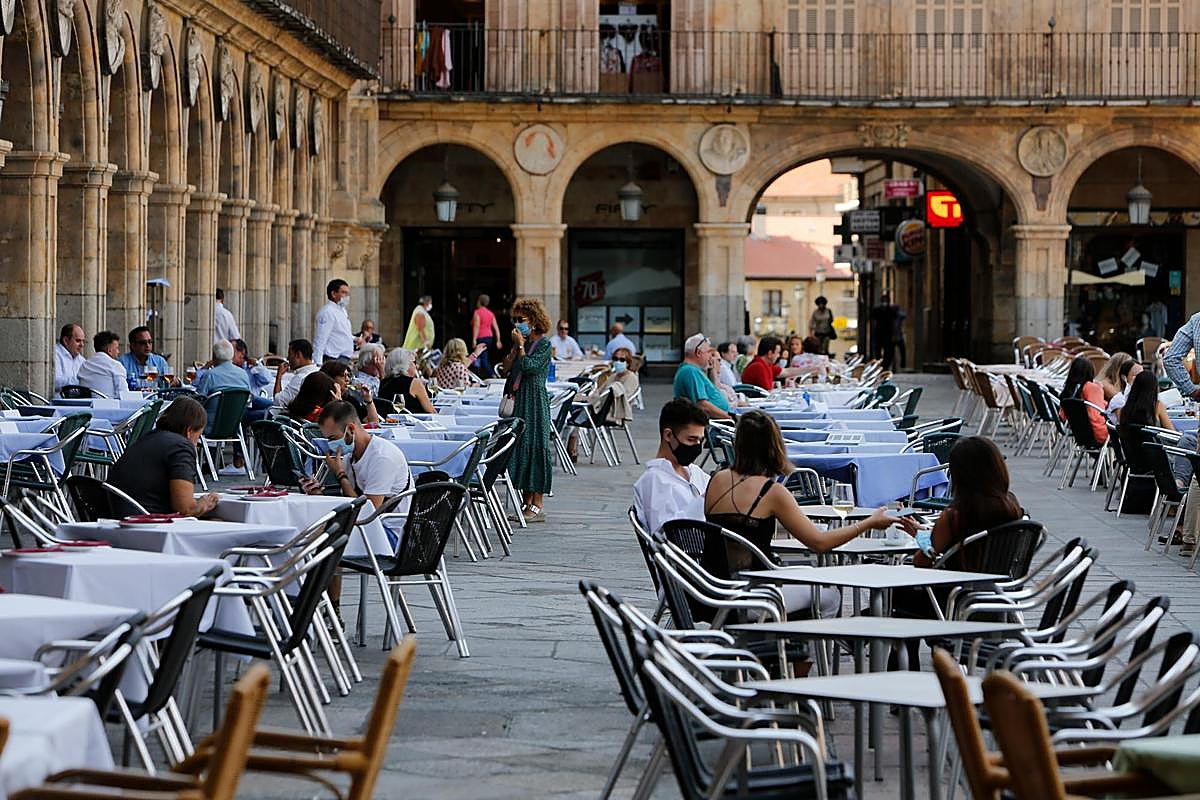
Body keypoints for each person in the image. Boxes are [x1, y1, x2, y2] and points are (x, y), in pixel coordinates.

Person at [704, 411, 916, 618]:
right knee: (830, 595)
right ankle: (801, 640)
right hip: (754, 595)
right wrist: (869, 523)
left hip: (709, 589)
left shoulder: (717, 479)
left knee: (802, 579)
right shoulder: (771, 492)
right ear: (775, 445)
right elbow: (819, 543)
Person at [889, 437, 1023, 658]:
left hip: (955, 600)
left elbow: (922, 561)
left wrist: (923, 538)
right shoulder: (1012, 508)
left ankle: (901, 664)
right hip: (997, 596)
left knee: (899, 596)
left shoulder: (955, 515)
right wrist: (924, 533)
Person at [109, 397, 220, 517]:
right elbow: (185, 509)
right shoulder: (181, 446)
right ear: (189, 431)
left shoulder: (147, 439)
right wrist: (204, 503)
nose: (197, 443)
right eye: (198, 436)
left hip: (115, 513)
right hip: (145, 520)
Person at [301, 400, 412, 516]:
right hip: (362, 521)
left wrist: (340, 474)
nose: (330, 444)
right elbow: (350, 501)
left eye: (332, 438)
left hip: (388, 524)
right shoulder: (350, 456)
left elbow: (368, 513)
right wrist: (318, 494)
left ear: (351, 429)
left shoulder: (382, 458)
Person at [503, 297, 554, 523]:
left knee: (536, 446)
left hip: (535, 401)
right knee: (522, 446)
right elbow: (506, 368)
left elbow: (530, 367)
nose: (517, 323)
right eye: (515, 319)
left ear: (533, 320)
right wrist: (516, 348)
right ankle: (525, 500)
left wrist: (522, 347)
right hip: (521, 399)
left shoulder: (544, 344)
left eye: (521, 319)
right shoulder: (520, 342)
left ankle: (537, 503)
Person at [633, 399, 711, 537]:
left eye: (700, 440)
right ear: (668, 435)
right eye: (691, 439)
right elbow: (665, 533)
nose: (697, 446)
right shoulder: (654, 480)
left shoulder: (694, 472)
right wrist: (704, 501)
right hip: (691, 548)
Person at [567, 346, 640, 461]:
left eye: (622, 360)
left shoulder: (631, 378)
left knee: (574, 411)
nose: (618, 362)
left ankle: (571, 442)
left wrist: (591, 399)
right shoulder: (614, 376)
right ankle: (572, 442)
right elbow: (600, 392)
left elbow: (623, 400)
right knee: (574, 406)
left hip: (612, 413)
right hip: (602, 408)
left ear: (628, 362)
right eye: (615, 359)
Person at [673, 333, 732, 420]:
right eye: (708, 352)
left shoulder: (692, 370)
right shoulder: (690, 371)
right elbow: (703, 405)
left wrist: (711, 370)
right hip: (713, 423)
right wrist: (729, 417)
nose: (710, 357)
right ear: (698, 353)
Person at [1060, 355, 1108, 443]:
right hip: (1097, 434)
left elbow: (1062, 416)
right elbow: (1096, 416)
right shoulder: (1091, 388)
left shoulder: (1070, 389)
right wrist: (1099, 390)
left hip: (1077, 431)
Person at [380, 348, 437, 414]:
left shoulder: (383, 382)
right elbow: (432, 412)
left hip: (388, 419)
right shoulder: (415, 383)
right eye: (414, 362)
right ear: (406, 364)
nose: (416, 366)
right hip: (413, 420)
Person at [739, 337, 807, 391]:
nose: (778, 356)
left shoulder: (766, 364)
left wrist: (810, 369)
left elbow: (786, 371)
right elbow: (768, 391)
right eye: (778, 352)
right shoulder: (758, 366)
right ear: (770, 353)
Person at [313, 278, 354, 363]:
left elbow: (340, 333)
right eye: (343, 292)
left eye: (347, 293)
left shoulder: (342, 310)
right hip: (333, 358)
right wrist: (318, 363)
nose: (347, 296)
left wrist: (355, 339)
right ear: (333, 294)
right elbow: (320, 339)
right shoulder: (327, 312)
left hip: (344, 357)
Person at [77, 331, 127, 397]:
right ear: (109, 350)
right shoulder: (115, 365)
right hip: (109, 403)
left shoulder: (84, 365)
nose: (118, 352)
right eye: (117, 348)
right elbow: (124, 394)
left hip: (86, 403)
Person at [272, 338, 319, 408]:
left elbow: (277, 401)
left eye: (289, 354)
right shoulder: (317, 370)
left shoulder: (300, 377)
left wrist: (279, 376)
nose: (287, 358)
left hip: (284, 412)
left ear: (298, 355)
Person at [471, 294, 502, 378]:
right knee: (481, 356)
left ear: (479, 302)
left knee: (481, 357)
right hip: (489, 337)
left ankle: (491, 374)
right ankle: (480, 374)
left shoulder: (477, 312)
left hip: (481, 337)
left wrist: (474, 339)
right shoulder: (490, 313)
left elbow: (476, 326)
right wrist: (498, 340)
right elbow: (496, 328)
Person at [54, 323, 86, 396]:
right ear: (65, 340)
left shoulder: (81, 360)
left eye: (83, 341)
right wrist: (81, 380)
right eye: (78, 341)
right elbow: (56, 382)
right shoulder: (55, 354)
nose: (82, 345)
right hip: (58, 401)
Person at [871, 293, 899, 370]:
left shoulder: (892, 310)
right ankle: (879, 365)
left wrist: (894, 334)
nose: (885, 302)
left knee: (888, 352)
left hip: (888, 334)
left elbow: (894, 321)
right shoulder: (877, 310)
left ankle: (885, 366)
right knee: (878, 351)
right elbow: (873, 321)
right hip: (879, 333)